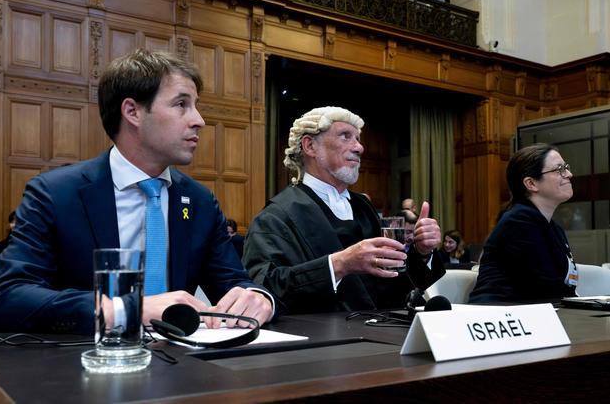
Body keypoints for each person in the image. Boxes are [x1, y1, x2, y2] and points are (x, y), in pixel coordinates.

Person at [0, 49, 274, 334]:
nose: (199, 119)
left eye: (196, 105)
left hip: (180, 367)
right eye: (181, 104)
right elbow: (8, 298)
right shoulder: (55, 193)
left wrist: (259, 299)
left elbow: (235, 283)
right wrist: (129, 310)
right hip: (79, 366)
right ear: (132, 112)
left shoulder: (198, 201)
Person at [242, 107, 445, 314]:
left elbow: (396, 285)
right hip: (323, 340)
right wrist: (340, 264)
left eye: (358, 138)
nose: (359, 147)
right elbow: (264, 289)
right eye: (345, 136)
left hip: (387, 331)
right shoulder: (276, 216)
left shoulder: (364, 207)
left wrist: (422, 252)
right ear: (310, 146)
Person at [469, 144, 577, 303]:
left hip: (536, 313)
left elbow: (563, 286)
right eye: (559, 169)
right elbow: (547, 286)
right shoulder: (518, 221)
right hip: (502, 317)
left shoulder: (554, 228)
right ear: (531, 183)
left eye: (566, 167)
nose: (569, 174)